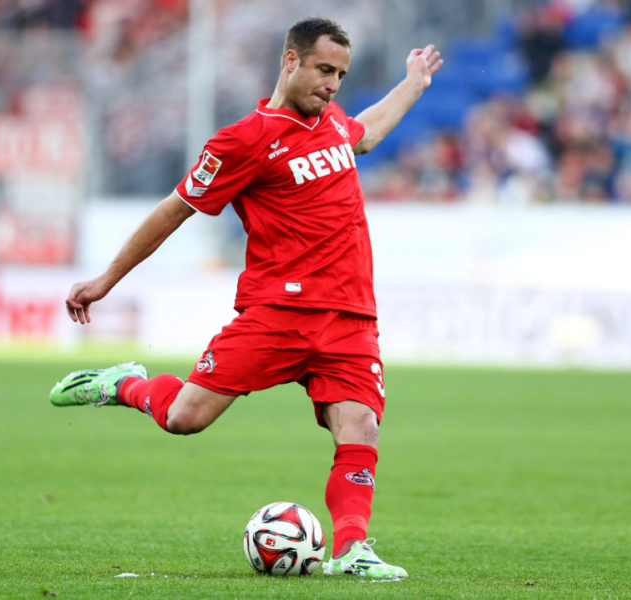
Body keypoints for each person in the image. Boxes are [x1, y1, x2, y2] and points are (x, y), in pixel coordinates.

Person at [48, 17, 442, 580]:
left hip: (349, 318)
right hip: (277, 314)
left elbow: (368, 130)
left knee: (360, 425)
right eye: (324, 70)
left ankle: (351, 550)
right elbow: (173, 210)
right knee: (185, 418)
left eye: (341, 75)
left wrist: (413, 83)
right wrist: (106, 280)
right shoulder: (243, 141)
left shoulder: (331, 124)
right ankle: (125, 383)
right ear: (291, 61)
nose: (333, 84)